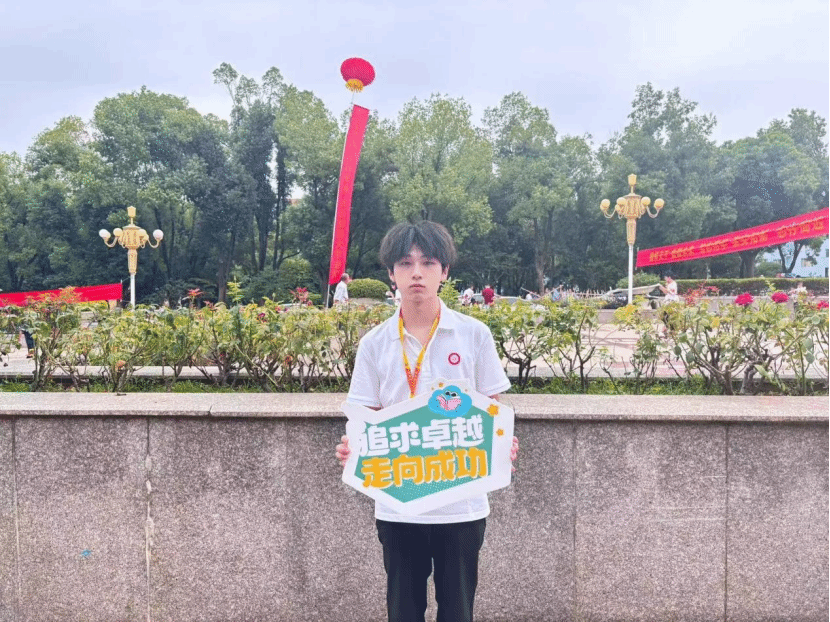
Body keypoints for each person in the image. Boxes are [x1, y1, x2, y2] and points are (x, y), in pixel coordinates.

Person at [335, 221, 519, 622]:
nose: (416, 273)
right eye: (405, 263)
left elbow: (491, 409)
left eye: (428, 262)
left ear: (444, 271)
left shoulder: (473, 334)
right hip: (398, 505)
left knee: (458, 612)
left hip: (462, 505)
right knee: (403, 611)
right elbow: (365, 418)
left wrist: (501, 441)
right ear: (391, 273)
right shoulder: (374, 344)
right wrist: (354, 448)